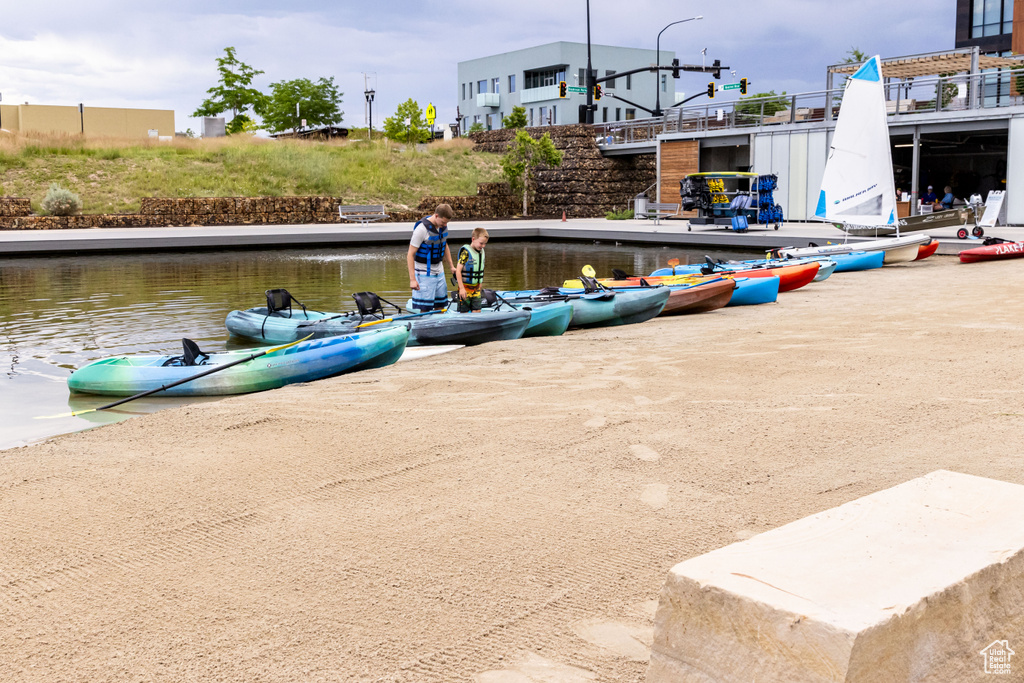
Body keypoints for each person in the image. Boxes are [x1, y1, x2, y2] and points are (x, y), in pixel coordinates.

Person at [407, 204, 456, 312]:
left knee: (440, 306)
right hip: (424, 272)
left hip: (439, 270)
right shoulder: (421, 230)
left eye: (447, 223)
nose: (444, 225)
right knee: (425, 307)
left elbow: (444, 245)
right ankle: (424, 327)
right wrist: (412, 280)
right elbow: (410, 254)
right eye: (443, 222)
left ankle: (438, 327)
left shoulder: (442, 228)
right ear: (436, 215)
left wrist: (451, 266)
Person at [454, 228, 489, 312]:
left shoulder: (481, 252)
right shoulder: (466, 253)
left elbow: (480, 270)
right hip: (465, 288)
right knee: (464, 312)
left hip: (476, 288)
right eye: (481, 243)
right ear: (473, 239)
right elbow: (458, 271)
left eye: (485, 244)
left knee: (477, 310)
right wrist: (461, 288)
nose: (483, 246)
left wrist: (480, 283)